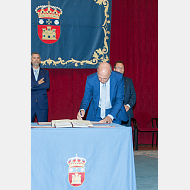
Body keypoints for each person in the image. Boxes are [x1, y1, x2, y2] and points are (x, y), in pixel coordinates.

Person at [114, 61, 136, 126]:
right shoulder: (110, 81)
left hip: (126, 112)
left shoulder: (129, 81)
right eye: (118, 67)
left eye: (122, 68)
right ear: (114, 69)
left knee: (125, 134)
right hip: (114, 113)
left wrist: (128, 106)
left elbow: (133, 95)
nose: (120, 69)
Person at [31, 52, 50, 122]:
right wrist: (38, 83)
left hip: (42, 106)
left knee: (43, 128)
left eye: (38, 58)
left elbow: (47, 85)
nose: (36, 59)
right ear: (31, 60)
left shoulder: (45, 72)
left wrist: (32, 86)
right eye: (34, 58)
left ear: (40, 60)